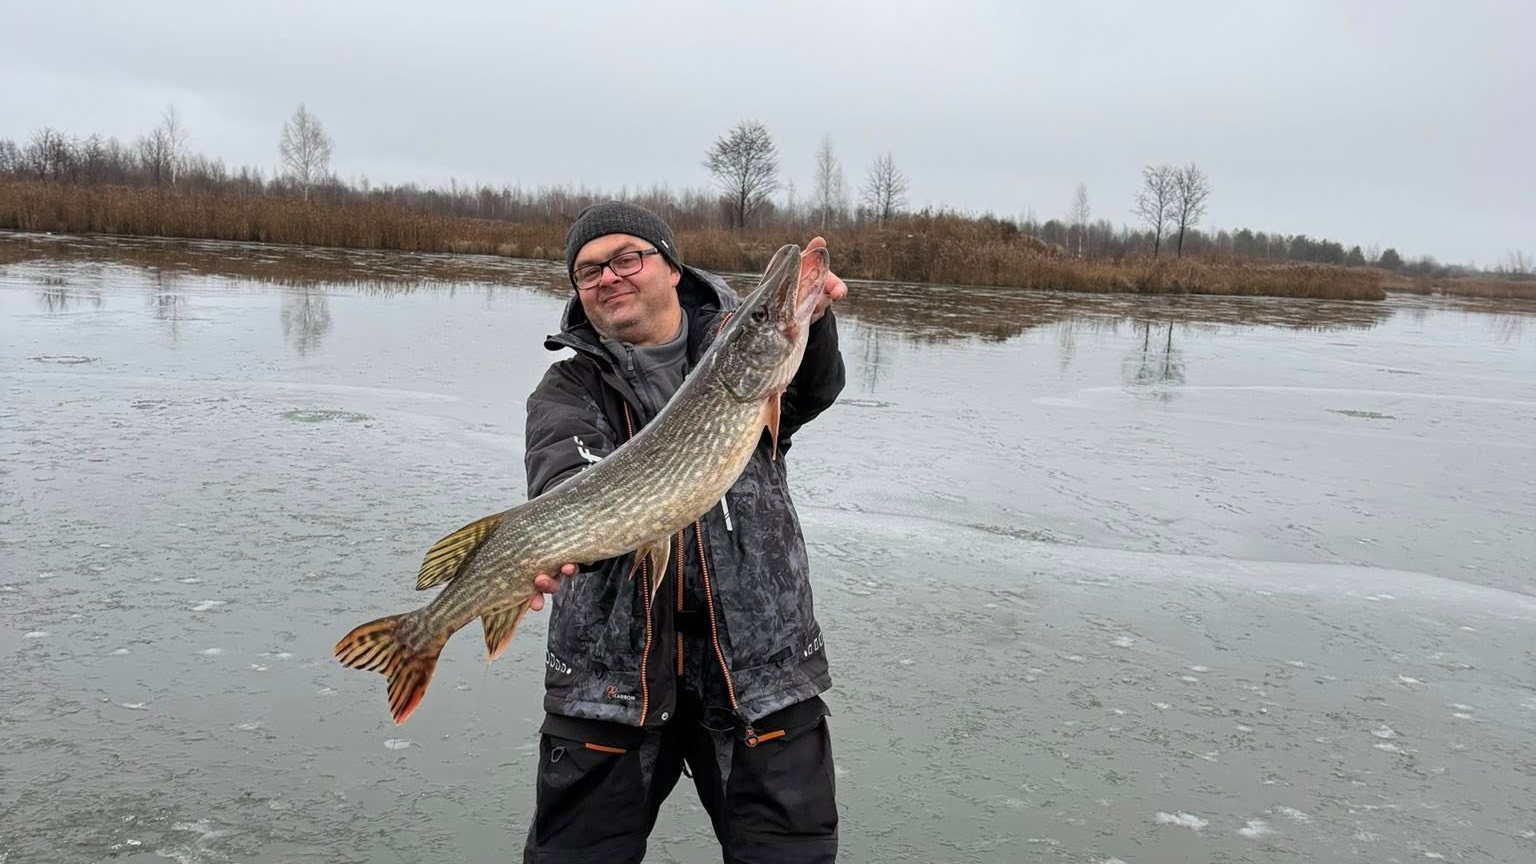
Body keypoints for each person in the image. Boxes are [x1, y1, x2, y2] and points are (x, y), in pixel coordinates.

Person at [518, 201, 848, 864]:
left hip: (761, 673)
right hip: (610, 679)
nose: (608, 277)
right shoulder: (567, 390)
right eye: (588, 271)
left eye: (626, 258)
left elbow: (811, 386)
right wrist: (549, 546)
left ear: (672, 269)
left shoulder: (743, 366)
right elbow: (562, 478)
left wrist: (814, 315)